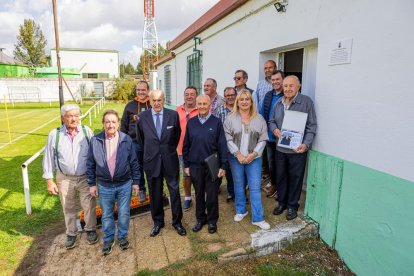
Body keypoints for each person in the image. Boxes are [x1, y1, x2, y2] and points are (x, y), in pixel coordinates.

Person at [42, 104, 97, 250]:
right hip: (65, 178)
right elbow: (48, 157)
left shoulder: (86, 131)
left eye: (76, 115)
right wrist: (49, 180)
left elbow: (94, 154)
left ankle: (90, 229)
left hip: (86, 177)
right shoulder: (55, 134)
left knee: (89, 205)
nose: (74, 119)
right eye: (70, 116)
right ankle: (71, 233)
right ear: (62, 118)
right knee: (68, 206)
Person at [87, 110, 140, 256]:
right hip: (104, 186)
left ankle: (122, 237)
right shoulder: (95, 141)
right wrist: (92, 184)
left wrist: (136, 182)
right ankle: (109, 240)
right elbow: (90, 163)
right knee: (106, 215)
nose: (110, 125)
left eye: (113, 122)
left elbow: (134, 162)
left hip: (124, 184)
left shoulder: (126, 139)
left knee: (124, 213)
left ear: (118, 123)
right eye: (107, 122)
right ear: (103, 124)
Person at [136, 90, 186, 237]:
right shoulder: (142, 117)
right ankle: (158, 222)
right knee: (155, 193)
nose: (157, 103)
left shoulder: (173, 115)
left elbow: (176, 136)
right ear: (149, 101)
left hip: (170, 160)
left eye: (159, 100)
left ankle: (177, 222)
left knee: (175, 192)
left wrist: (167, 150)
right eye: (154, 100)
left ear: (164, 100)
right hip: (151, 162)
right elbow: (141, 141)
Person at [269, 75, 317, 220]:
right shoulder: (278, 102)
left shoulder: (306, 102)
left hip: (297, 150)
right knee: (281, 177)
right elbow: (271, 121)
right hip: (280, 148)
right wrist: (275, 130)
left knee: (296, 178)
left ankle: (292, 206)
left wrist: (306, 143)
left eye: (291, 85)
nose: (288, 89)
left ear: (298, 86)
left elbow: (312, 125)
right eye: (286, 86)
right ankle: (282, 203)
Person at [224, 89, 271, 230]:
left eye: (247, 99)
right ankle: (241, 210)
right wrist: (237, 154)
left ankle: (258, 218)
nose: (244, 102)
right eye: (241, 99)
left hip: (254, 159)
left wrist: (253, 154)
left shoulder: (259, 119)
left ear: (251, 102)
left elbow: (263, 139)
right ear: (237, 102)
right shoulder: (230, 118)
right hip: (235, 158)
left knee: (255, 188)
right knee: (238, 185)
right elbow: (227, 138)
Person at [183, 95, 227, 234]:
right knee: (199, 194)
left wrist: (223, 166)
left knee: (212, 193)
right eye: (199, 103)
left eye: (205, 104)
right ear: (196, 105)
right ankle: (200, 219)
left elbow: (222, 145)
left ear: (209, 105)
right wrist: (186, 165)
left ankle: (212, 221)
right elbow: (186, 145)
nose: (202, 106)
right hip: (195, 165)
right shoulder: (191, 122)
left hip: (212, 164)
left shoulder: (217, 122)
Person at [120, 81, 151, 202]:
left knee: (152, 167)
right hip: (135, 143)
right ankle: (142, 190)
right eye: (138, 90)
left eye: (143, 90)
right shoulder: (130, 106)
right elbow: (124, 125)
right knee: (137, 167)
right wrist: (123, 142)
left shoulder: (153, 103)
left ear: (148, 90)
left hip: (150, 143)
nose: (140, 92)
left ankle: (155, 188)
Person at [260, 70, 285, 198]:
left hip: (283, 137)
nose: (275, 82)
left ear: (283, 80)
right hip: (270, 137)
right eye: (273, 80)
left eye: (277, 79)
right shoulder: (268, 95)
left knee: (282, 165)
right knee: (272, 164)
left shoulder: (287, 95)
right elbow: (262, 114)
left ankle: (282, 189)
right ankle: (274, 185)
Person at [253, 60, 277, 186]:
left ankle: (274, 181)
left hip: (277, 125)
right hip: (263, 123)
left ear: (275, 68)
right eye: (265, 68)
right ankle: (266, 175)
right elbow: (256, 103)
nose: (267, 70)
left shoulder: (278, 84)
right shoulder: (260, 84)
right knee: (264, 153)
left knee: (274, 155)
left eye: (270, 67)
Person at [176, 86, 199, 211]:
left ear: (196, 95)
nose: (189, 96)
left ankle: (200, 197)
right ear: (184, 96)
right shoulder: (177, 110)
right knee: (186, 175)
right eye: (187, 94)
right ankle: (188, 198)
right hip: (182, 150)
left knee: (199, 175)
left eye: (192, 94)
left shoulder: (201, 109)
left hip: (198, 149)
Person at [215, 87, 237, 202]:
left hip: (239, 145)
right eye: (227, 95)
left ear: (236, 95)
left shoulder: (240, 108)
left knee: (239, 171)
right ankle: (231, 193)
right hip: (225, 145)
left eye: (232, 95)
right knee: (228, 170)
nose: (230, 97)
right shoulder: (219, 110)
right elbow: (216, 128)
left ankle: (240, 193)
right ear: (224, 97)